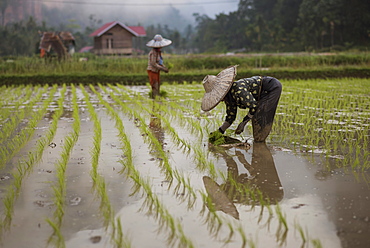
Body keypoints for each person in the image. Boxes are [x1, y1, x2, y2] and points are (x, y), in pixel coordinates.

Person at [201, 65, 282, 142]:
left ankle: (260, 144)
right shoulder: (229, 99)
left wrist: (243, 123)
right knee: (257, 117)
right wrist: (220, 131)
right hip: (261, 94)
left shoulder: (239, 89)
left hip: (271, 88)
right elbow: (230, 117)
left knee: (260, 116)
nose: (219, 99)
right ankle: (259, 142)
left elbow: (253, 106)